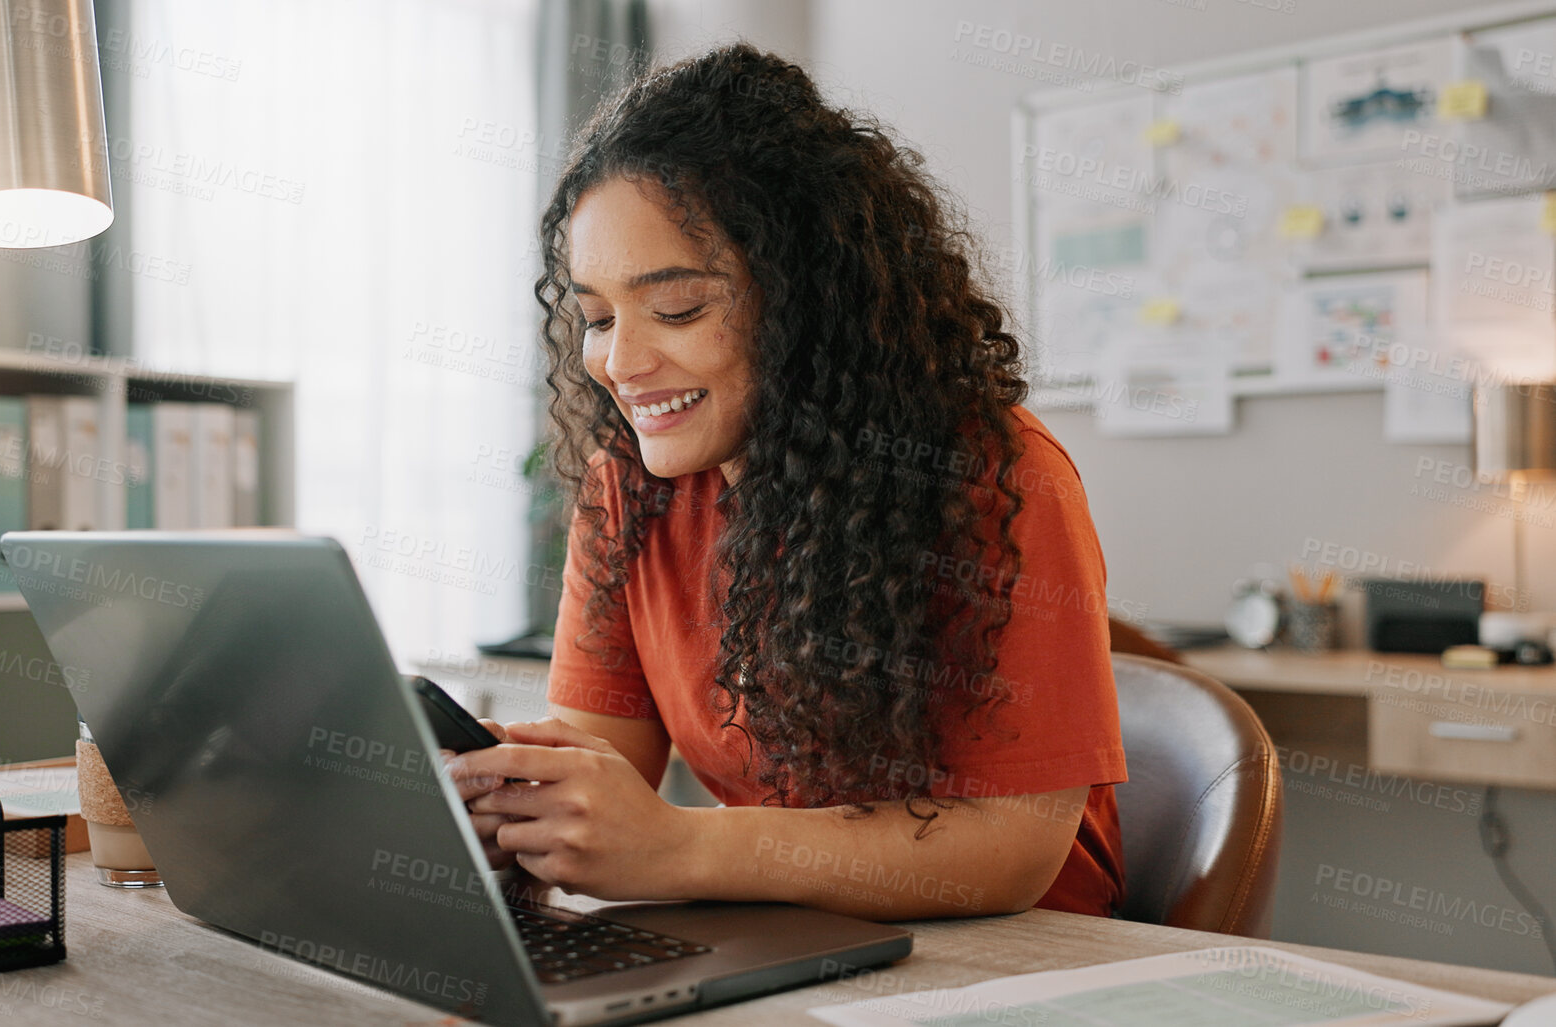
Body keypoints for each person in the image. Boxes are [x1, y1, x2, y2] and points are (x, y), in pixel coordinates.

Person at [445, 42, 1126, 921]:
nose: (621, 361)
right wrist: (522, 791)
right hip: (783, 932)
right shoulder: (627, 486)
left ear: (808, 298)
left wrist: (682, 844)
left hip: (1015, 955)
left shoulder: (995, 478)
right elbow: (605, 751)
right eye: (598, 316)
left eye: (678, 308)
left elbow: (1010, 846)